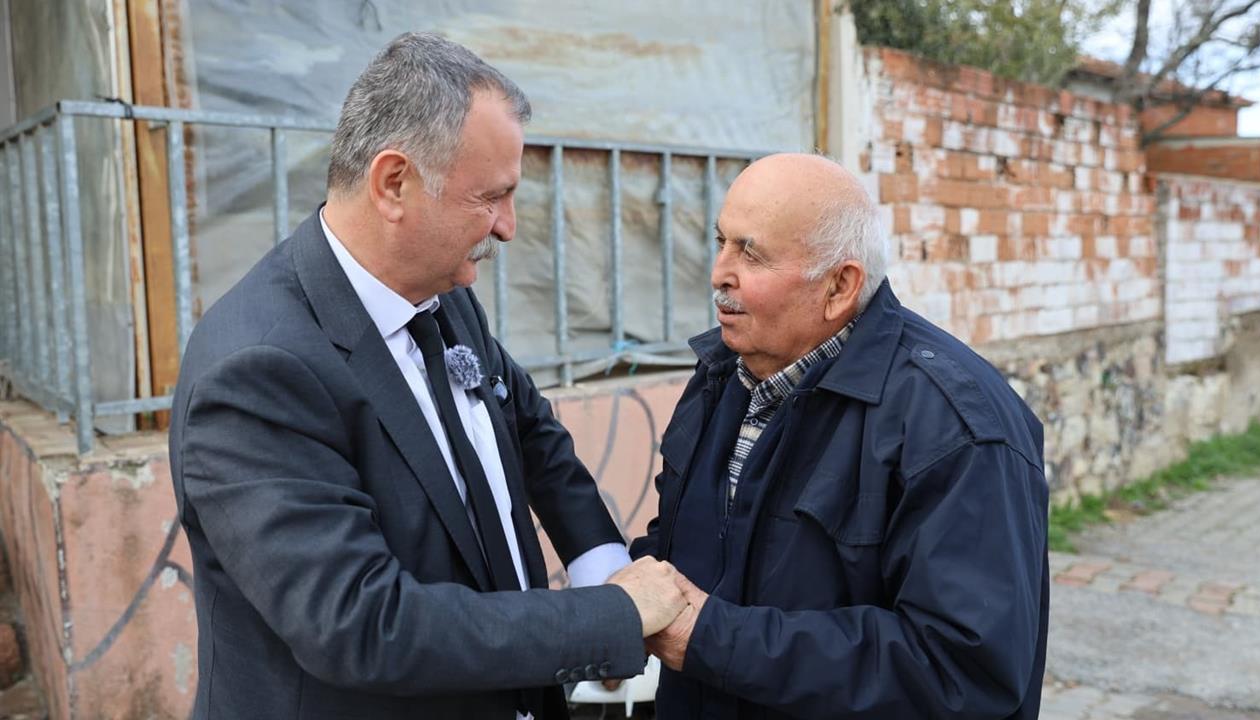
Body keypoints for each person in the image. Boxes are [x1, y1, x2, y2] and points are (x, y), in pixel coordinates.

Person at [168, 32, 686, 720]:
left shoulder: (441, 293)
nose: (507, 228)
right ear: (394, 184)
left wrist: (603, 565)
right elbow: (362, 624)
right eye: (491, 197)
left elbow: (528, 429)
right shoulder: (257, 372)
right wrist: (609, 617)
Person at [630, 153, 1050, 719]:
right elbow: (692, 542)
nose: (719, 273)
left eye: (751, 253)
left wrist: (713, 640)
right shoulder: (724, 375)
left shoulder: (953, 427)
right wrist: (624, 606)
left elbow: (961, 672)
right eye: (721, 241)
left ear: (839, 286)